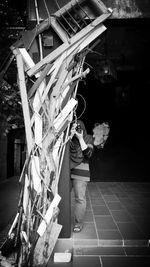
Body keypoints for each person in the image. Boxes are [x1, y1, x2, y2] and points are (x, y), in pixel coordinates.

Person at [70, 120, 94, 233]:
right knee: (63, 197)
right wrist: (69, 135)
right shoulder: (69, 138)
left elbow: (88, 154)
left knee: (79, 198)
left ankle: (78, 223)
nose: (77, 129)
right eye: (75, 127)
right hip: (66, 170)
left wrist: (80, 138)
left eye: (79, 127)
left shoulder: (88, 138)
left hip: (80, 171)